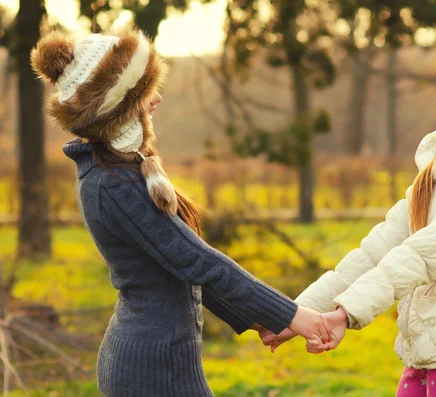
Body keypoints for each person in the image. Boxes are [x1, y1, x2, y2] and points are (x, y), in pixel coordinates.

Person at [31, 29, 332, 397]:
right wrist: (290, 314)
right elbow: (196, 260)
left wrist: (257, 320)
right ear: (113, 108)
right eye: (142, 94)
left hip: (156, 359)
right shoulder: (113, 185)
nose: (156, 100)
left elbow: (178, 266)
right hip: (153, 370)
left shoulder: (118, 171)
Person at [261, 41, 436, 397]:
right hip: (428, 350)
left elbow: (426, 250)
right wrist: (296, 313)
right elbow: (377, 250)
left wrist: (346, 314)